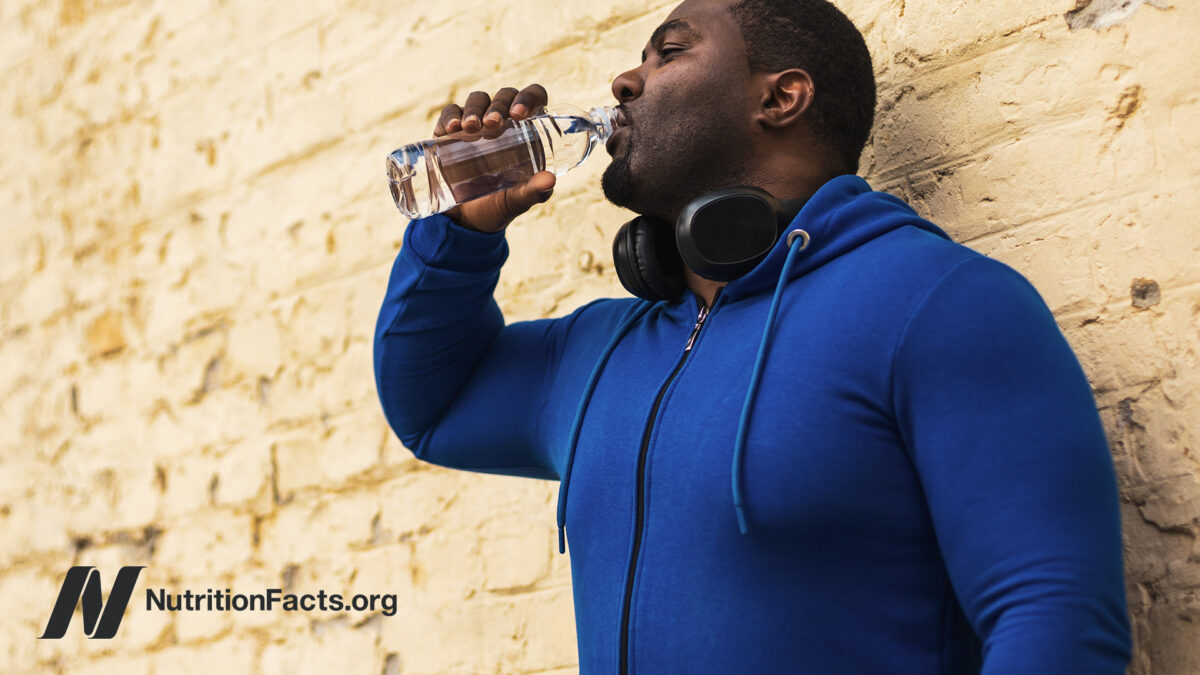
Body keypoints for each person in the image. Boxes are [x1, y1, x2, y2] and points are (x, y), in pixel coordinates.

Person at [373, 0, 1132, 671]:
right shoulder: (598, 352)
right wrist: (458, 236)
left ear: (781, 97)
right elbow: (435, 406)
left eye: (669, 52)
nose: (624, 83)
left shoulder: (939, 304)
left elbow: (1055, 618)